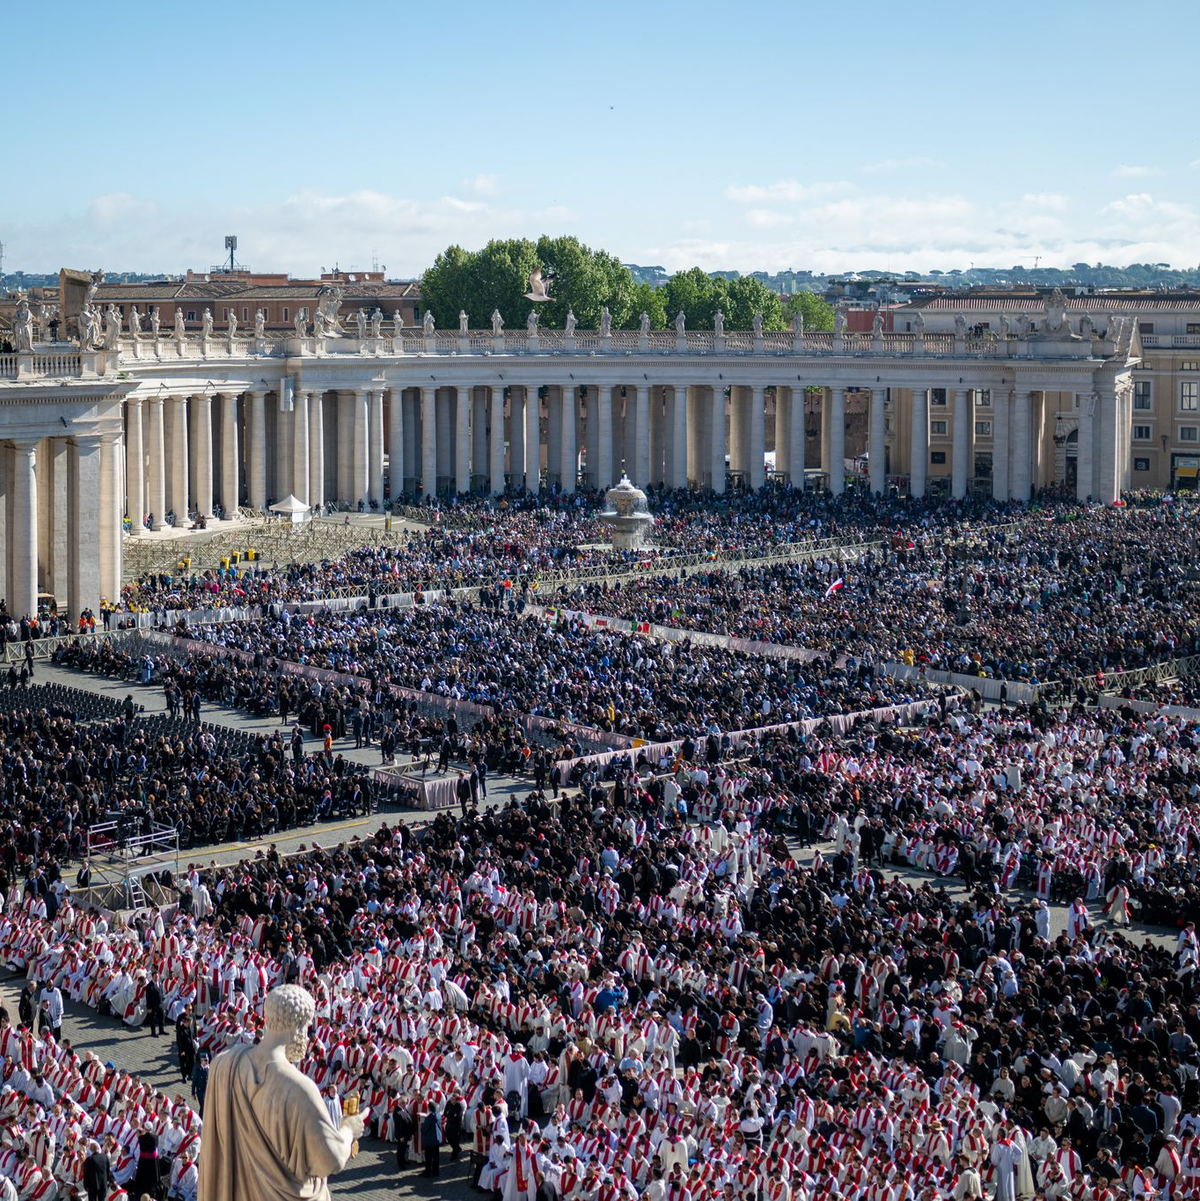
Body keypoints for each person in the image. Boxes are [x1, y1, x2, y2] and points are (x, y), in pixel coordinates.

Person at [197, 985, 363, 1201]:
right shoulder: (300, 1089)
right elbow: (330, 1161)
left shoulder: (224, 1064)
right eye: (307, 1028)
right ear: (298, 1027)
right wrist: (349, 1129)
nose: (307, 1036)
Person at [420, 1106, 442, 1177]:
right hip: (437, 1139)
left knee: (428, 1157)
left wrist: (422, 1127)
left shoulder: (429, 1118)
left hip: (429, 1140)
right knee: (436, 1156)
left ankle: (428, 1172)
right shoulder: (438, 1115)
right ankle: (436, 1171)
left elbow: (424, 1129)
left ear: (429, 1109)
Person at [145, 973, 165, 1037]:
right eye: (155, 976)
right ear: (152, 977)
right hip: (153, 1005)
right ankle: (153, 1032)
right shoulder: (149, 986)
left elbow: (161, 992)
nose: (157, 978)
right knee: (153, 1019)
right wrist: (149, 1007)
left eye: (157, 976)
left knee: (161, 1017)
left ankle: (161, 1030)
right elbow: (148, 997)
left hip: (160, 1004)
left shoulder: (160, 983)